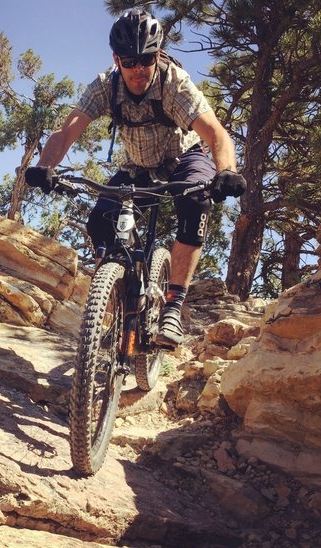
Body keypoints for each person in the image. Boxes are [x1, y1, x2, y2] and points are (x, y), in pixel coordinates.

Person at [25, 9, 246, 349]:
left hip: (182, 159)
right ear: (116, 59)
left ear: (158, 54)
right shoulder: (105, 87)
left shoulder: (174, 83)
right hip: (137, 167)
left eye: (147, 59)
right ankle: (113, 292)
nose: (139, 69)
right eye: (130, 61)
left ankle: (172, 304)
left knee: (197, 201)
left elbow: (216, 134)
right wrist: (45, 166)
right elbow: (66, 131)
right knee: (100, 222)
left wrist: (227, 171)